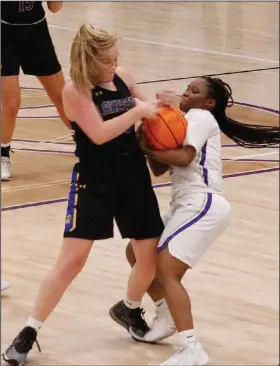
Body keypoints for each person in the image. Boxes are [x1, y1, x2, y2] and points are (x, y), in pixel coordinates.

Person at [2, 24, 165, 366]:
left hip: (134, 175)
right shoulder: (75, 91)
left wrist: (162, 106)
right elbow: (100, 133)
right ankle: (29, 331)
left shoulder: (122, 75)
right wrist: (137, 112)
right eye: (107, 60)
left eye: (116, 57)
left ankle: (129, 308)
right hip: (95, 180)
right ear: (89, 59)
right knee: (71, 262)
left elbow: (144, 104)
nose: (114, 64)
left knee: (149, 259)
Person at [125, 77, 280, 365]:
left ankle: (191, 347)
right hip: (185, 204)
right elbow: (160, 167)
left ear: (209, 103)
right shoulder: (183, 121)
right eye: (187, 88)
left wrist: (144, 147)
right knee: (137, 251)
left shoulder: (201, 117)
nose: (186, 92)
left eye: (194, 91)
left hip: (202, 202)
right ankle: (166, 314)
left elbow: (184, 158)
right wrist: (146, 135)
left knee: (166, 271)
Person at [1, 1, 70, 181]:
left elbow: (55, 8)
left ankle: (88, 144)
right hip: (4, 32)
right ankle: (3, 154)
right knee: (11, 103)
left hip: (36, 32)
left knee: (62, 97)